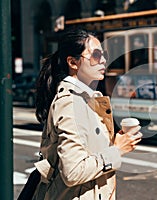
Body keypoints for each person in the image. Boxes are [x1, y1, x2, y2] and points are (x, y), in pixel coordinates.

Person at [33, 29, 142, 199]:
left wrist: (117, 142)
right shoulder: (70, 103)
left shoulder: (85, 101)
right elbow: (73, 172)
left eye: (104, 54)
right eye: (96, 55)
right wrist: (117, 150)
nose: (104, 60)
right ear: (73, 63)